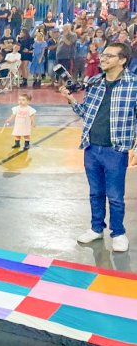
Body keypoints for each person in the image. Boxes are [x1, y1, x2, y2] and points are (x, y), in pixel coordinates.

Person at [61, 42, 137, 253]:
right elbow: (86, 112)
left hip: (116, 150)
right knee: (95, 192)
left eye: (109, 56)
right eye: (103, 55)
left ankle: (118, 233)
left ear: (122, 60)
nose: (103, 59)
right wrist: (70, 100)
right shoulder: (94, 82)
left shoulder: (134, 85)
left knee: (114, 195)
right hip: (91, 147)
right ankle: (96, 228)